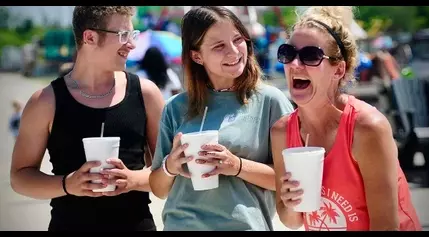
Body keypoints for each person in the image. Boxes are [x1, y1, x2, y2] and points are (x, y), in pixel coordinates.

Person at [10, 6, 165, 231]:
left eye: (132, 35)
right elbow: (19, 178)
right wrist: (67, 184)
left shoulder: (146, 94)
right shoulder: (45, 101)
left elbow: (166, 176)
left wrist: (131, 180)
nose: (131, 44)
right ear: (90, 37)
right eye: (123, 35)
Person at [270, 6, 421, 231]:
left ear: (339, 70)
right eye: (288, 53)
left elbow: (386, 226)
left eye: (310, 56)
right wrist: (291, 203)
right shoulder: (282, 131)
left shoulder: (367, 128)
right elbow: (291, 221)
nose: (294, 64)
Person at [149, 6, 294, 231]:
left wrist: (236, 166)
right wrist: (171, 166)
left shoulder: (271, 101)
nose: (234, 51)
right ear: (196, 56)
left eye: (238, 40)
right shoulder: (175, 108)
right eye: (219, 46)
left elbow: (289, 179)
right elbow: (159, 188)